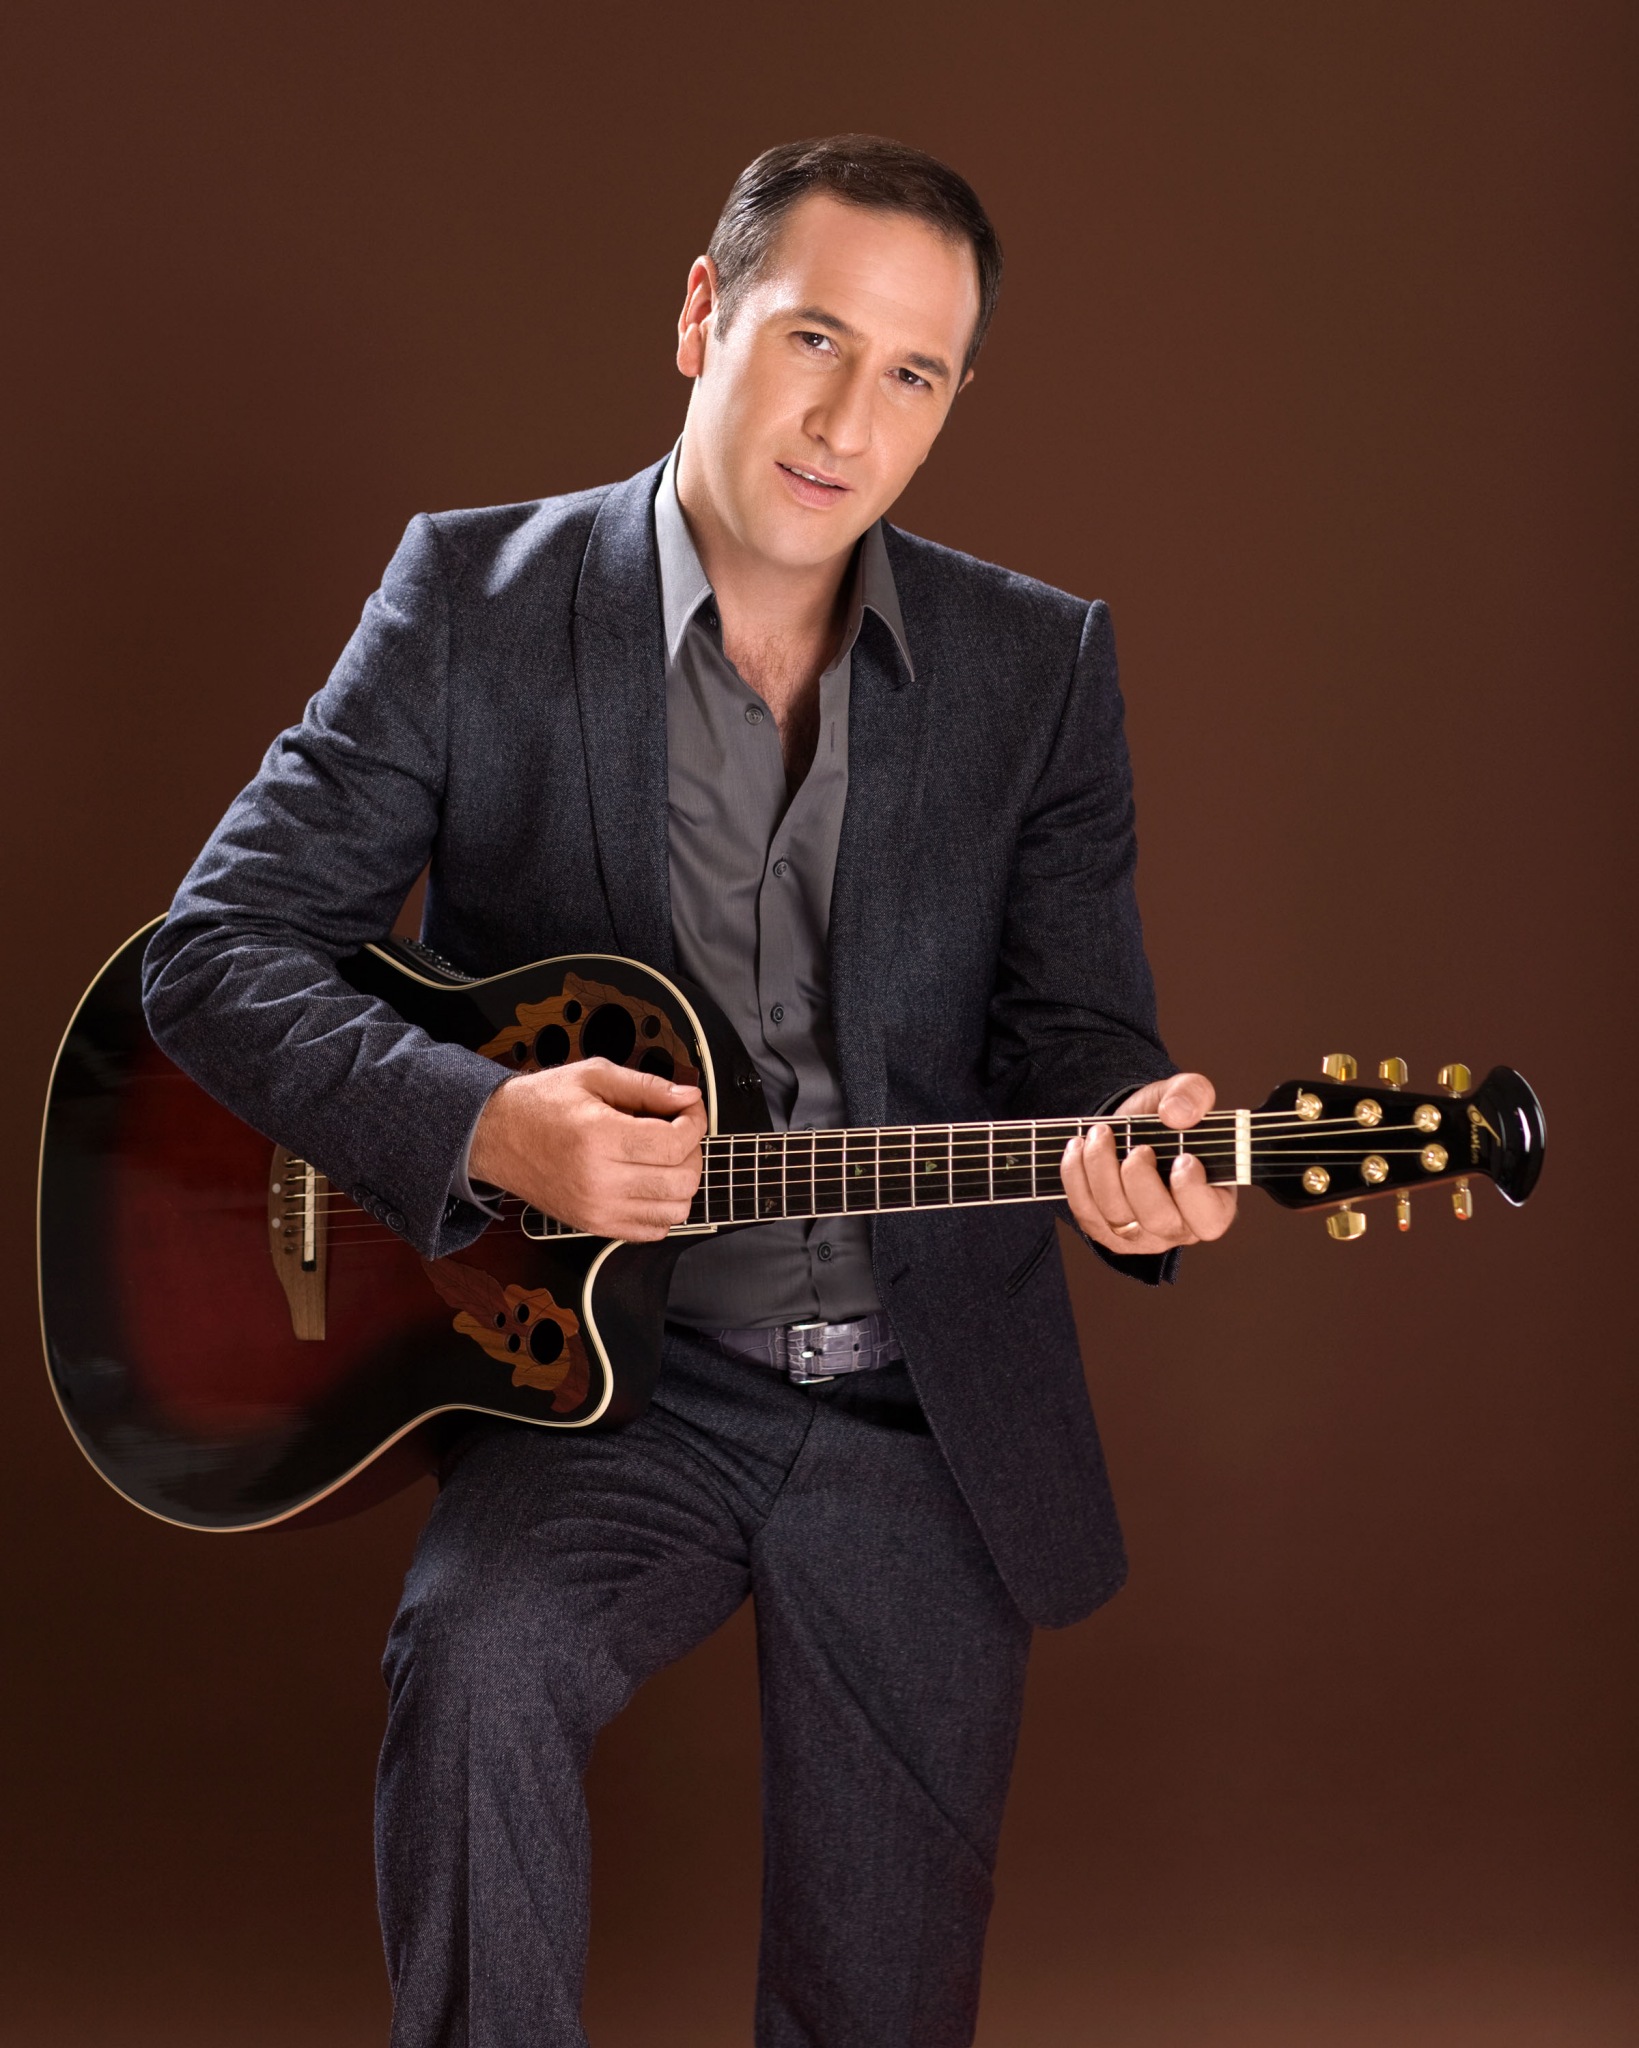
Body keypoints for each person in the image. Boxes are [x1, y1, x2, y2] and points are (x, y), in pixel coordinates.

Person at [143, 135, 1236, 2048]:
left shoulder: (1040, 666)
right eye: (814, 338)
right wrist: (485, 1126)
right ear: (701, 315)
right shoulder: (473, 598)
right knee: (473, 1669)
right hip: (609, 1390)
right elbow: (211, 953)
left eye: (914, 374)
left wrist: (1141, 1150)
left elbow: (1083, 1045)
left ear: (955, 401)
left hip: (922, 1408)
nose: (848, 421)